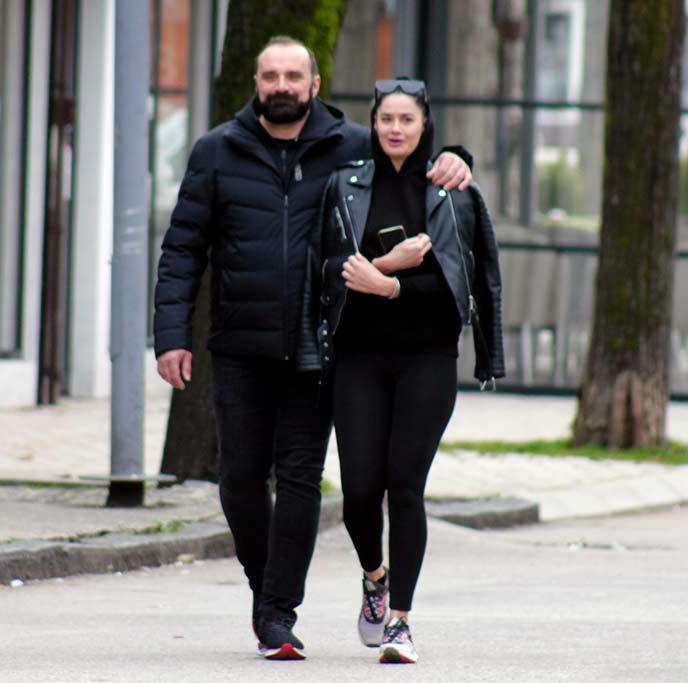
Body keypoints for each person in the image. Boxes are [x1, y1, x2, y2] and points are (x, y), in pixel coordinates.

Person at [153, 37, 472, 660]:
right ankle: (265, 589)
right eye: (270, 75)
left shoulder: (352, 145)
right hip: (238, 344)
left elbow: (411, 157)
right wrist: (170, 337)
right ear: (256, 82)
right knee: (240, 481)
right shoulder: (216, 150)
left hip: (316, 343)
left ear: (314, 84)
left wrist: (458, 157)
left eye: (292, 76)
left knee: (300, 478)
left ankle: (278, 613)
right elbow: (183, 249)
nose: (281, 85)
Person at [304, 78, 504, 664]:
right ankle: (375, 578)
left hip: (428, 358)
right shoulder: (345, 185)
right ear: (373, 123)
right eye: (386, 119)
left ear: (424, 127)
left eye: (406, 120)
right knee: (359, 492)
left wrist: (389, 286)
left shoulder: (452, 193)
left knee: (405, 485)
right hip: (358, 357)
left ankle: (400, 622)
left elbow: (458, 291)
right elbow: (325, 269)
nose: (395, 129)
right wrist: (381, 265)